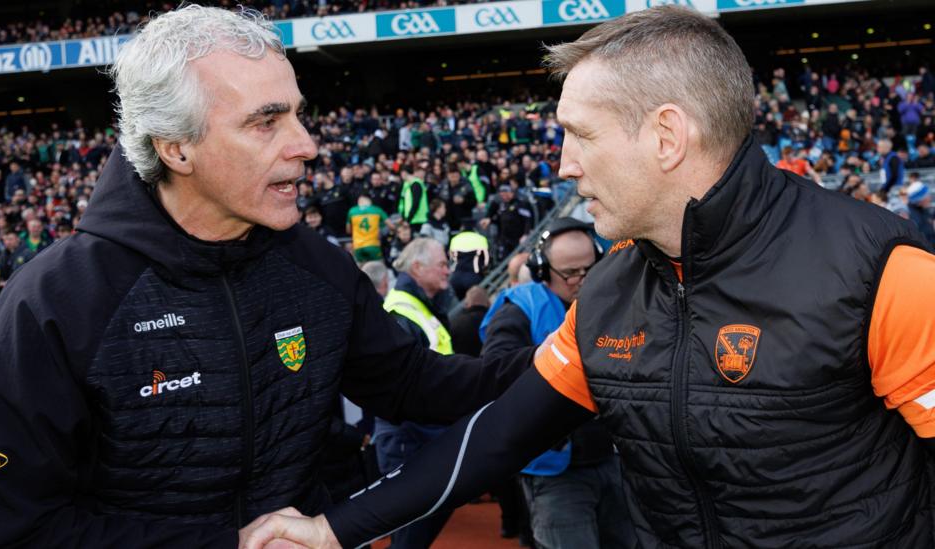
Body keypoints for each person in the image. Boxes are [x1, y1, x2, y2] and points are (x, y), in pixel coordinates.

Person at [242, 7, 935, 549]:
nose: (564, 164)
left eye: (582, 134)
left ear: (666, 136)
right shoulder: (608, 292)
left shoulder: (882, 274)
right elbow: (499, 436)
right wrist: (333, 529)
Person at [0, 6, 534, 547]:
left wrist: (567, 358)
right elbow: (5, 525)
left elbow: (417, 385)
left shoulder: (315, 265)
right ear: (176, 149)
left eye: (298, 115)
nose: (306, 145)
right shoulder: (54, 301)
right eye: (266, 122)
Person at [480, 218, 634, 549]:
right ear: (542, 270)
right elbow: (495, 370)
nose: (583, 280)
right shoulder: (520, 308)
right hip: (555, 472)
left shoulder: (608, 300)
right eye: (571, 273)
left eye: (589, 269)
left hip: (611, 458)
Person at [373, 238, 457, 548]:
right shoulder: (402, 312)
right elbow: (402, 389)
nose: (448, 270)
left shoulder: (421, 306)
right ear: (418, 268)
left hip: (425, 435)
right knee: (411, 535)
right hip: (411, 438)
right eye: (442, 264)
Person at [346, 195, 388, 263]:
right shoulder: (377, 210)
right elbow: (390, 225)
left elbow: (348, 230)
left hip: (358, 246)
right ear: (369, 200)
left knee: (361, 268)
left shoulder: (352, 211)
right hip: (373, 245)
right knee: (378, 266)